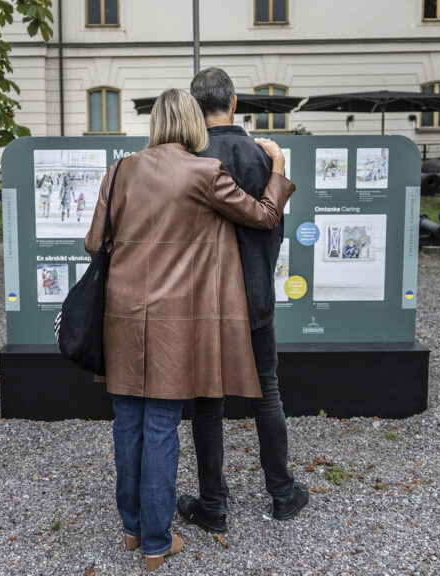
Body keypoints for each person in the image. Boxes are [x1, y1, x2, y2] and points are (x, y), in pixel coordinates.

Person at [84, 88, 294, 571]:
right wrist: (278, 165)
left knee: (127, 423)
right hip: (175, 322)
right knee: (160, 426)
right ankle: (157, 542)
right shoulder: (204, 172)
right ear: (194, 124)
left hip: (121, 317)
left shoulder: (119, 171)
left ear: (156, 122)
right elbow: (264, 216)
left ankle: (134, 529)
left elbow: (95, 242)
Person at [177, 68, 309, 535]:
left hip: (205, 302)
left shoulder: (187, 158)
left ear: (195, 107)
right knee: (266, 394)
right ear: (234, 103)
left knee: (207, 404)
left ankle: (213, 505)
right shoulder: (263, 157)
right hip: (254, 296)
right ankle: (283, 494)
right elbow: (273, 228)